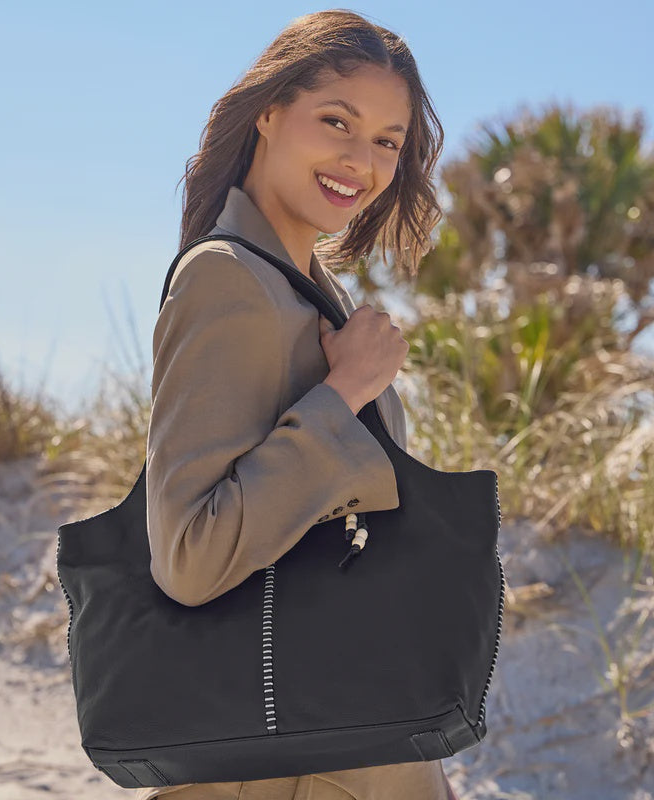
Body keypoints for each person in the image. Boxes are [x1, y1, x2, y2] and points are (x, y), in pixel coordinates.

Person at [136, 9, 460, 800]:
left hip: (342, 721)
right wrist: (345, 392)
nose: (363, 160)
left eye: (387, 140)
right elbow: (190, 557)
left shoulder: (307, 288)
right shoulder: (225, 277)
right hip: (290, 753)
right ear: (270, 112)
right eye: (337, 122)